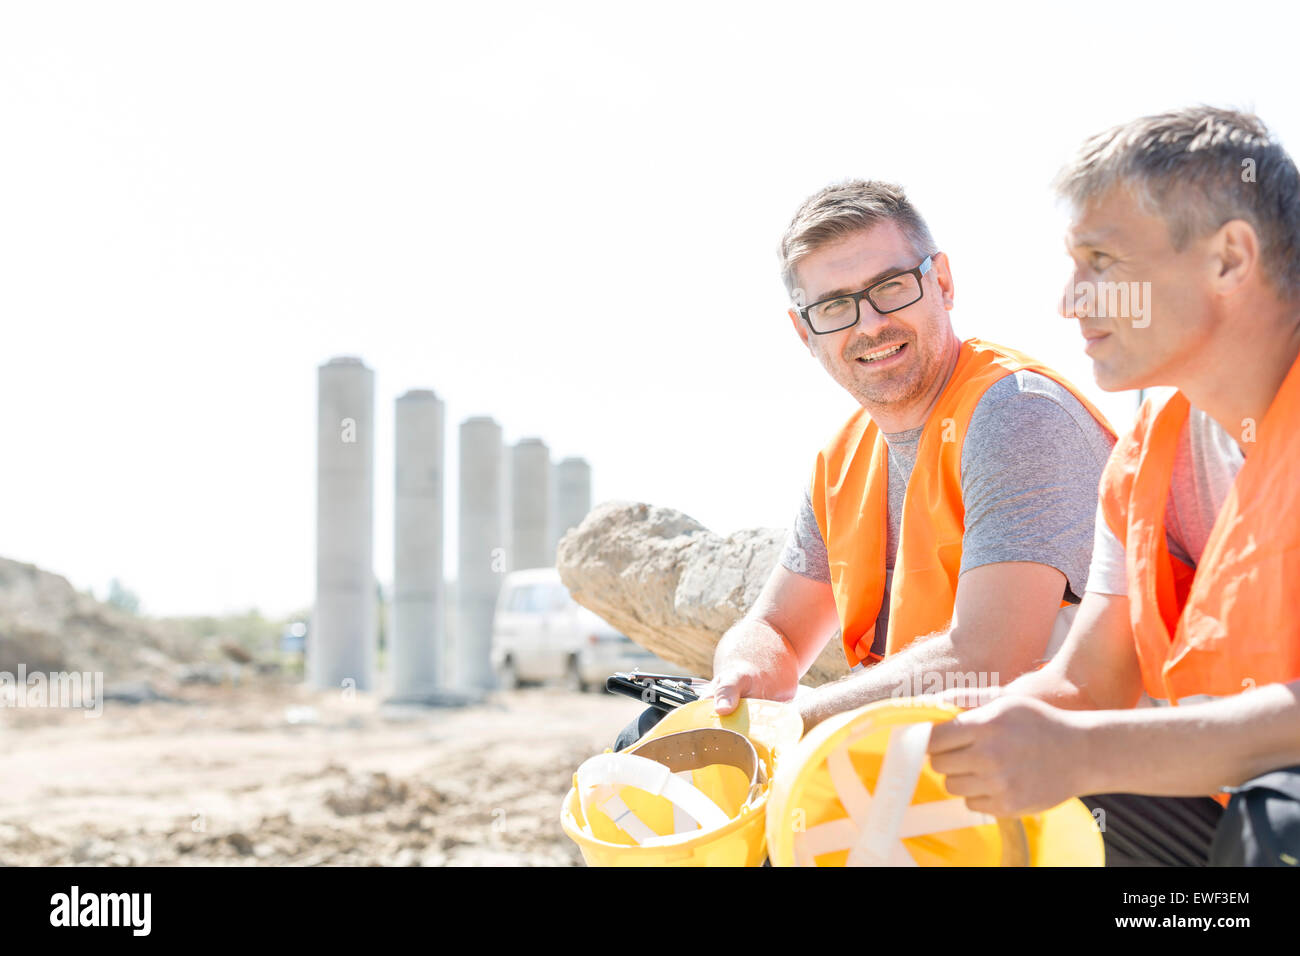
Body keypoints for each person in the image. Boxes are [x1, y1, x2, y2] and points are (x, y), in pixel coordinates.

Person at [615, 179, 1115, 750]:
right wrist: (741, 670)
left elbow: (988, 660)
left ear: (943, 283)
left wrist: (795, 723)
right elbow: (777, 628)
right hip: (925, 749)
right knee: (649, 741)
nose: (871, 323)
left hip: (1070, 768)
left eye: (891, 288)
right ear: (805, 331)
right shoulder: (843, 458)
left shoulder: (1016, 415)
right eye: (835, 306)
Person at [927, 106, 1300, 866]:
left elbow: (1095, 739)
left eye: (1101, 261)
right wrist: (926, 749)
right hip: (1229, 813)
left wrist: (1087, 752)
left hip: (1270, 821)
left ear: (1229, 259)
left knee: (1280, 817)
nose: (1071, 300)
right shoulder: (1145, 461)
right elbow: (1086, 684)